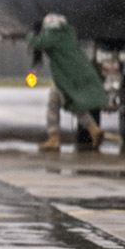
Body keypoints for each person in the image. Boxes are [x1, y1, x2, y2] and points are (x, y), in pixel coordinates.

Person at [27, 13, 107, 152]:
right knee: (74, 103)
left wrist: (30, 34)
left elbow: (37, 43)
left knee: (53, 102)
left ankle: (53, 138)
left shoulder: (54, 35)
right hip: (79, 72)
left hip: (66, 77)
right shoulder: (69, 35)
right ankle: (94, 130)